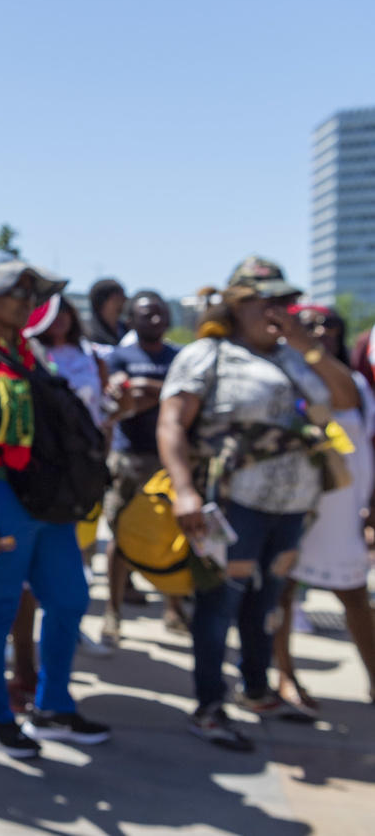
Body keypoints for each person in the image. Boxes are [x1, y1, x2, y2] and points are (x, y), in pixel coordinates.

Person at [158, 257, 357, 752]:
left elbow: (347, 398)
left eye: (285, 301)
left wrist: (308, 345)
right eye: (266, 301)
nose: (278, 310)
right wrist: (184, 489)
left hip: (291, 507)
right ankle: (209, 705)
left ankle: (257, 689)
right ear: (236, 306)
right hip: (232, 504)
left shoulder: (296, 357)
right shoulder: (210, 354)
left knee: (267, 602)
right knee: (218, 603)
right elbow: (172, 424)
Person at [0, 251, 111, 759]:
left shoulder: (31, 357)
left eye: (32, 292)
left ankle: (53, 706)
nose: (28, 300)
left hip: (47, 505)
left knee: (69, 600)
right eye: (17, 290)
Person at [274, 305, 375, 713]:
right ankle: (285, 676)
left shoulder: (351, 381)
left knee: (354, 594)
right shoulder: (287, 376)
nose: (321, 331)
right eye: (311, 325)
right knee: (281, 592)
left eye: (330, 325)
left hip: (343, 508)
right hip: (294, 501)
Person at [100, 291, 186, 644]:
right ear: (130, 320)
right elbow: (122, 399)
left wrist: (147, 389)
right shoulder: (120, 356)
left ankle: (174, 609)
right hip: (130, 458)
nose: (154, 320)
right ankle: (113, 611)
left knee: (175, 535)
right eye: (146, 315)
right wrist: (165, 393)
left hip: (170, 461)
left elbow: (183, 398)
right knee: (122, 536)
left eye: (160, 314)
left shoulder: (180, 357)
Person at [85, 278, 128, 348]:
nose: (124, 300)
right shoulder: (87, 333)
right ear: (102, 302)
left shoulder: (127, 330)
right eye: (117, 298)